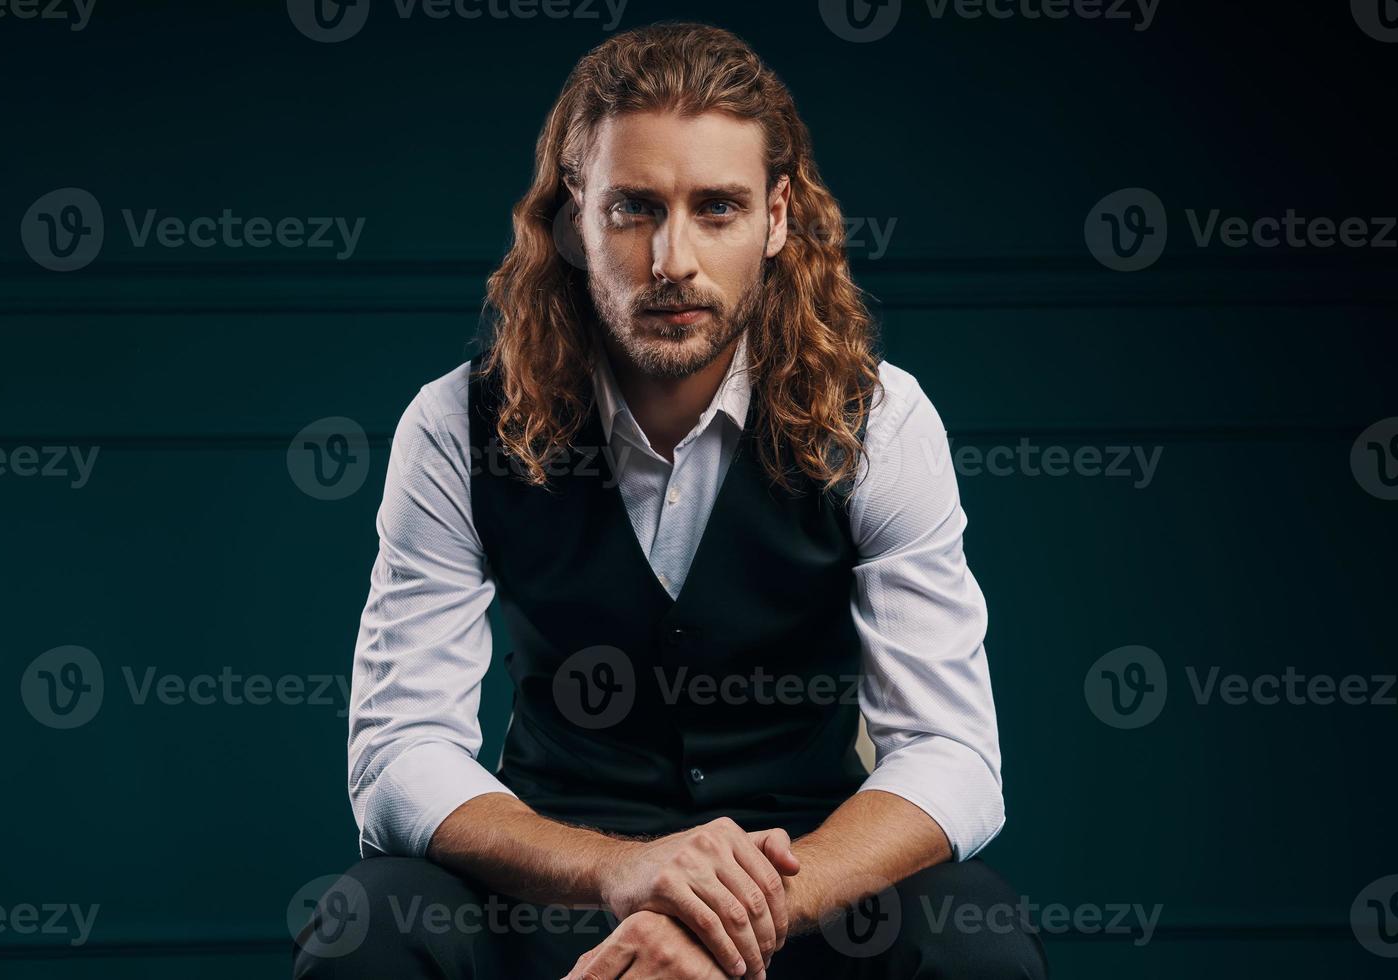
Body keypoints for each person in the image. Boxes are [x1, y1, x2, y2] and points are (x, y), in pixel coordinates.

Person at [295, 20, 1048, 980]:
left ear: (777, 219)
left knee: (971, 931)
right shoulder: (453, 425)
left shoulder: (883, 421)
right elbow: (398, 756)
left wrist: (738, 911)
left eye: (718, 209)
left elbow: (953, 756)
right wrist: (624, 873)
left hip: (802, 902)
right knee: (373, 918)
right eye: (634, 208)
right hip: (560, 900)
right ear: (575, 216)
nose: (672, 261)